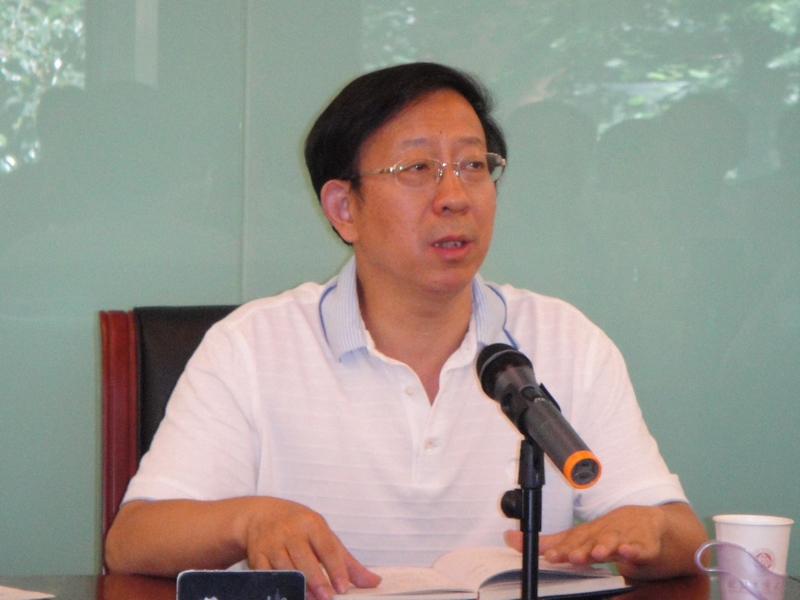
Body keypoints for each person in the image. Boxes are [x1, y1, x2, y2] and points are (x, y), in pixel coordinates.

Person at [104, 62, 707, 599]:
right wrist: (250, 520)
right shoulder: (252, 346)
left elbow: (682, 536)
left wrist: (649, 530)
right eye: (418, 168)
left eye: (473, 166)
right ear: (344, 209)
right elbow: (132, 541)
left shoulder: (566, 341)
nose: (455, 197)